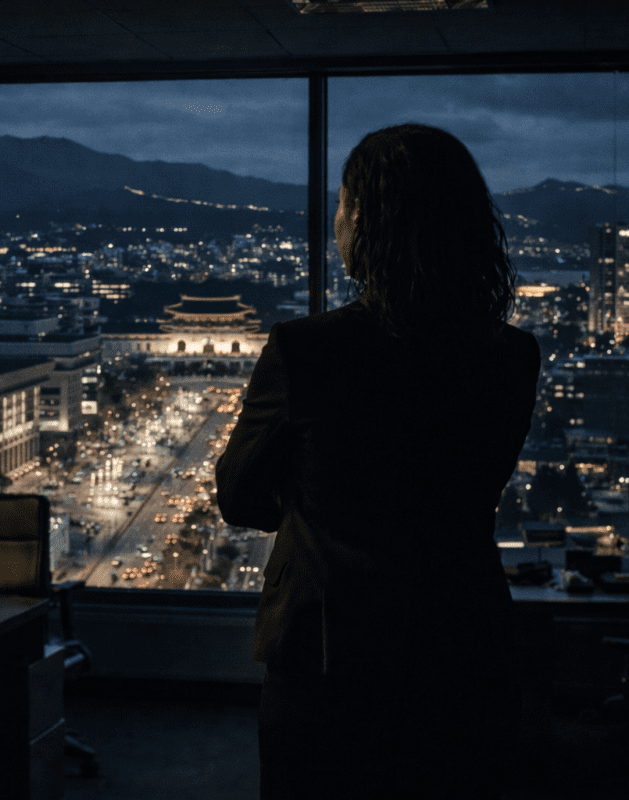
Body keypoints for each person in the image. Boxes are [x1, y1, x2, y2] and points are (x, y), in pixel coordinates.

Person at [216, 123, 541, 799]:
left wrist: (313, 502)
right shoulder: (510, 356)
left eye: (341, 204)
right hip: (464, 642)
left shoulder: (308, 351)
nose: (335, 221)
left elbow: (240, 496)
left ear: (365, 221)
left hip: (331, 655)